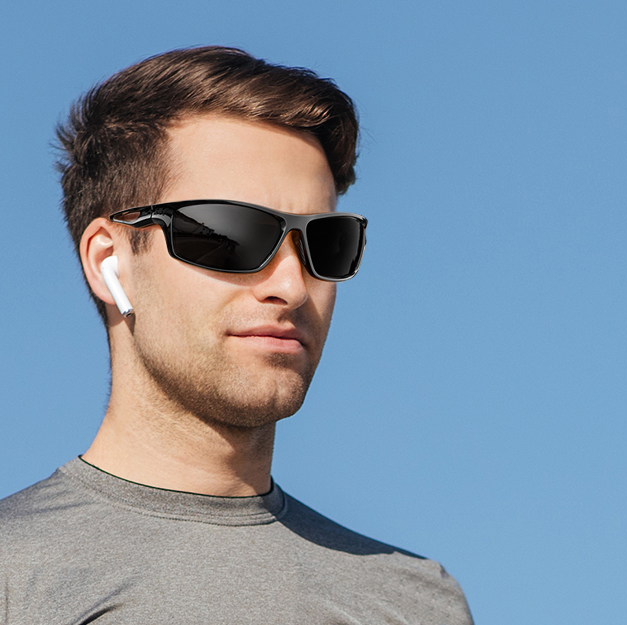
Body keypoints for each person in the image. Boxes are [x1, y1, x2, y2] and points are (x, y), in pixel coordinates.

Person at [0, 46, 473, 622]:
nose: (292, 286)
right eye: (232, 234)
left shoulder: (416, 602)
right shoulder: (16, 574)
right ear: (110, 262)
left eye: (325, 242)